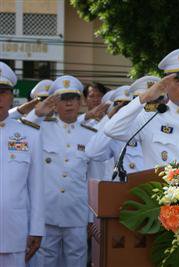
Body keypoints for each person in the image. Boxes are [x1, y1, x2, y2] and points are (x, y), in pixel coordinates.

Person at [26, 75, 110, 266]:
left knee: (76, 260)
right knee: (44, 261)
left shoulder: (89, 134)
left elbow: (94, 177)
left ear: (80, 101)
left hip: (77, 213)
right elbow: (22, 132)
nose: (69, 104)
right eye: (63, 99)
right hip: (46, 212)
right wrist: (37, 113)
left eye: (73, 98)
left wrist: (92, 217)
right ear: (55, 103)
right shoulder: (41, 128)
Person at [0, 62, 45, 266]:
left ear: (11, 97)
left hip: (13, 233)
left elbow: (36, 187)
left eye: (3, 92)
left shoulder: (29, 135)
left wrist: (36, 228)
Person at [86, 76, 161, 178]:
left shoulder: (167, 128)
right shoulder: (120, 132)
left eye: (153, 102)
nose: (148, 107)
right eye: (144, 102)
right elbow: (93, 152)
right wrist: (114, 117)